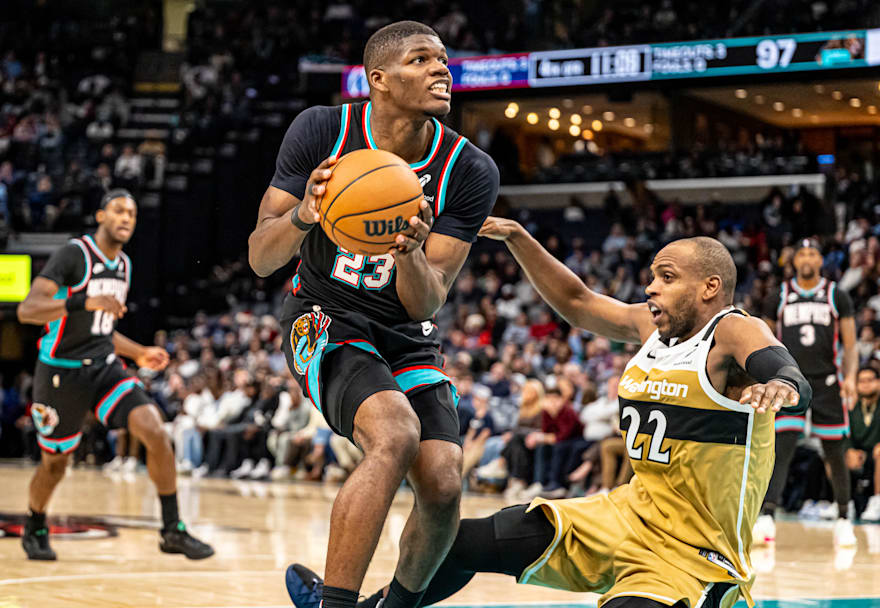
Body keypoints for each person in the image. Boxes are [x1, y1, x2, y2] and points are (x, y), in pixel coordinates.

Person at [308, 223, 811, 608]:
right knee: (452, 542)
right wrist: (517, 237)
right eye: (651, 276)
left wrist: (782, 384)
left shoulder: (732, 330)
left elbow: (780, 364)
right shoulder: (649, 329)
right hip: (624, 517)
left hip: (693, 552)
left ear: (709, 287)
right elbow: (576, 300)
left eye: (667, 277)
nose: (651, 288)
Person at [247, 21, 498, 608]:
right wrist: (306, 215)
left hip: (407, 333)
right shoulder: (321, 129)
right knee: (395, 433)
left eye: (443, 59)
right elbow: (261, 258)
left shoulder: (469, 169)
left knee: (442, 481)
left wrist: (410, 252)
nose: (442, 69)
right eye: (421, 60)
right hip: (323, 315)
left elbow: (427, 299)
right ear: (378, 79)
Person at [16, 189, 212, 561]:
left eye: (133, 214)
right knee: (55, 464)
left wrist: (139, 352)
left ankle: (173, 529)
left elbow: (101, 330)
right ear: (101, 215)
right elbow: (28, 310)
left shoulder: (124, 264)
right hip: (60, 373)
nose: (126, 219)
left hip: (104, 367)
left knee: (154, 428)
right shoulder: (74, 255)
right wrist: (80, 301)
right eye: (119, 211)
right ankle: (35, 522)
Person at [755, 238, 857, 547]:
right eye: (802, 253)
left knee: (834, 451)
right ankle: (767, 516)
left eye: (813, 253)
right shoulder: (779, 296)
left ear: (821, 260)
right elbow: (764, 340)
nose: (808, 258)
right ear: (794, 261)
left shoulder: (836, 295)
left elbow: (850, 345)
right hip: (790, 381)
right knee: (780, 449)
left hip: (828, 381)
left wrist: (851, 376)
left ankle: (843, 517)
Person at [848, 366, 880, 521]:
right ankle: (842, 502)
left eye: (870, 380)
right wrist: (850, 450)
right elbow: (844, 434)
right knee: (837, 454)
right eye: (861, 381)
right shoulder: (852, 406)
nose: (865, 384)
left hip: (877, 453)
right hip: (860, 452)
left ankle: (877, 501)